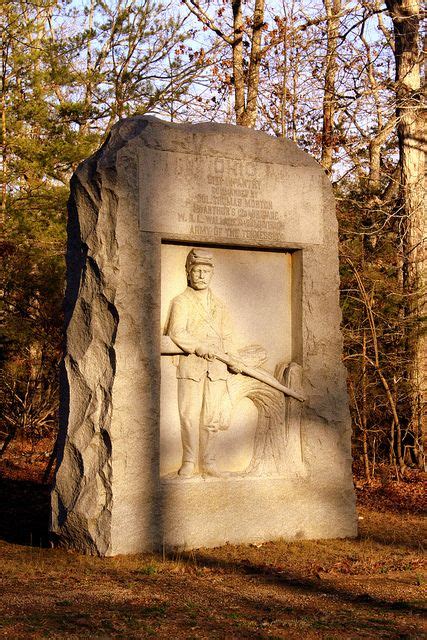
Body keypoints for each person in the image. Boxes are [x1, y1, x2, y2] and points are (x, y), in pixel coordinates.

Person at [166, 248, 240, 478]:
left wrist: (233, 359)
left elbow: (227, 337)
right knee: (188, 415)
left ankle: (208, 461)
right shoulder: (181, 302)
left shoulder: (220, 305)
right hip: (192, 367)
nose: (201, 275)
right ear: (189, 273)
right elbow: (176, 332)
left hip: (217, 368)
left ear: (211, 274)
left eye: (205, 271)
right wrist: (199, 347)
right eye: (196, 270)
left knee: (211, 416)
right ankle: (189, 460)